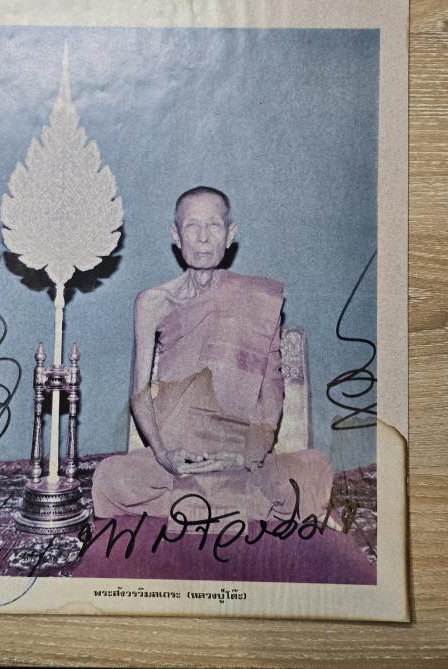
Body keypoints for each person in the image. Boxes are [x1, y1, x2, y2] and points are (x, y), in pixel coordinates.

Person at [92, 186, 334, 524]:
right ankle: (233, 508)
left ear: (230, 235)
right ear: (176, 235)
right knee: (108, 477)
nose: (203, 238)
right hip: (179, 454)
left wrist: (247, 455)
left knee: (316, 469)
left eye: (214, 226)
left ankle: (200, 507)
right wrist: (164, 455)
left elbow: (271, 389)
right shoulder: (152, 302)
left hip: (240, 452)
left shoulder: (257, 298)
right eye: (192, 226)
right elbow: (139, 393)